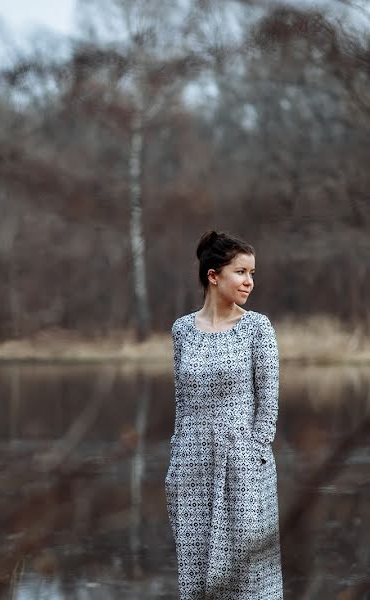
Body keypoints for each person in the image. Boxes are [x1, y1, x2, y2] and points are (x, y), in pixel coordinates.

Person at [165, 230, 283, 599]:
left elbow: (268, 405)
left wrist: (255, 455)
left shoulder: (256, 328)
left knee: (249, 577)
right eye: (241, 271)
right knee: (198, 572)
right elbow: (182, 405)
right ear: (213, 276)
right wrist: (175, 461)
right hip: (192, 467)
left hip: (243, 467)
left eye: (252, 272)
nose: (249, 281)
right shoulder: (182, 330)